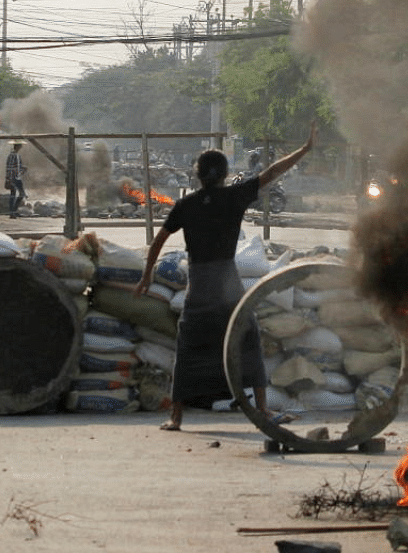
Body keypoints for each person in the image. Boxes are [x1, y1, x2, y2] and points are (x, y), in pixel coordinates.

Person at [134, 122, 316, 431]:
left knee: (189, 348)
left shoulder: (185, 205)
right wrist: (304, 150)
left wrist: (146, 276)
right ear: (226, 173)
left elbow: (159, 240)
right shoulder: (235, 196)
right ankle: (262, 409)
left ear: (197, 174)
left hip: (199, 285)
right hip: (228, 283)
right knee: (247, 339)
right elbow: (271, 173)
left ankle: (176, 417)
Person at [5, 139, 28, 218]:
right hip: (13, 177)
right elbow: (10, 168)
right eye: (20, 145)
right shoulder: (12, 155)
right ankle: (12, 212)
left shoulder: (18, 155)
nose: (21, 147)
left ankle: (14, 211)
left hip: (17, 177)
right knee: (13, 195)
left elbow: (18, 167)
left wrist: (23, 169)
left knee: (21, 194)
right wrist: (9, 179)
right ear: (17, 146)